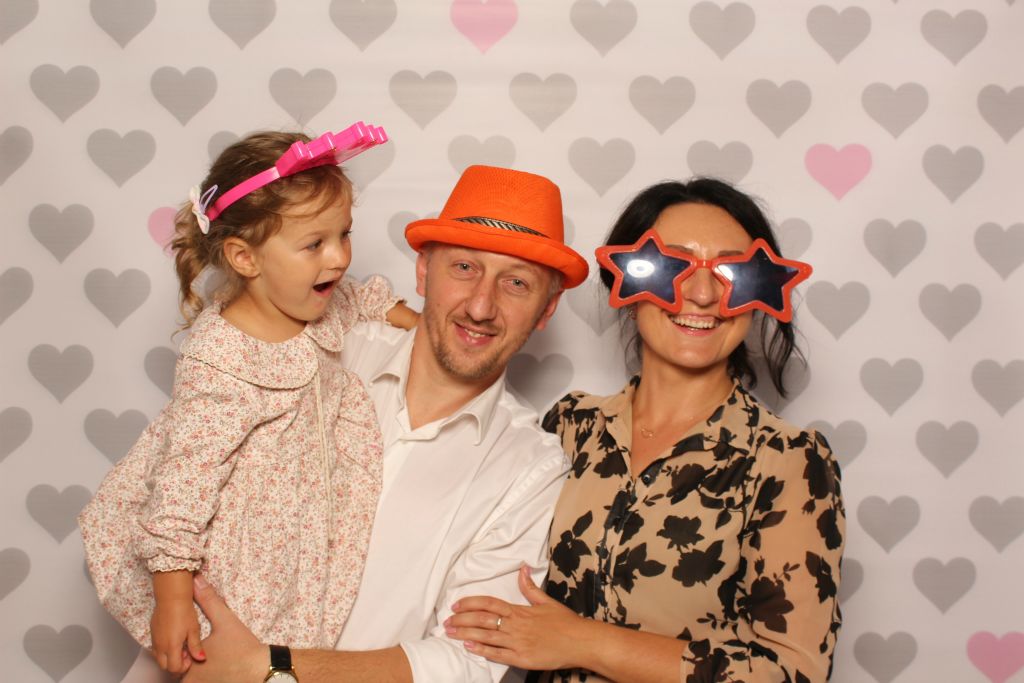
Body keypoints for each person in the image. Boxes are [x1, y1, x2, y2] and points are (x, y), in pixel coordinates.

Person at [181, 164, 591, 683]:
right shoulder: (315, 348)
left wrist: (272, 667)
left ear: (547, 309)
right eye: (464, 267)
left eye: (516, 283)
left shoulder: (531, 469)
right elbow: (189, 474)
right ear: (423, 271)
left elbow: (467, 659)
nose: (481, 306)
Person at [445, 178, 846, 682]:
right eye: (672, 267)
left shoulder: (786, 460)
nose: (703, 294)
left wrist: (582, 641)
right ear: (626, 284)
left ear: (760, 294)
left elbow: (792, 672)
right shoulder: (570, 426)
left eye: (733, 273)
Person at [78, 125, 419, 676]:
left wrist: (422, 328)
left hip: (296, 536)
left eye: (344, 234)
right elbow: (183, 488)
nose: (338, 258)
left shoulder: (317, 301)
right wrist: (172, 600)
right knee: (228, 648)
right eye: (315, 244)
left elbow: (365, 300)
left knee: (288, 647)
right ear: (244, 257)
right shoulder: (222, 359)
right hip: (240, 546)